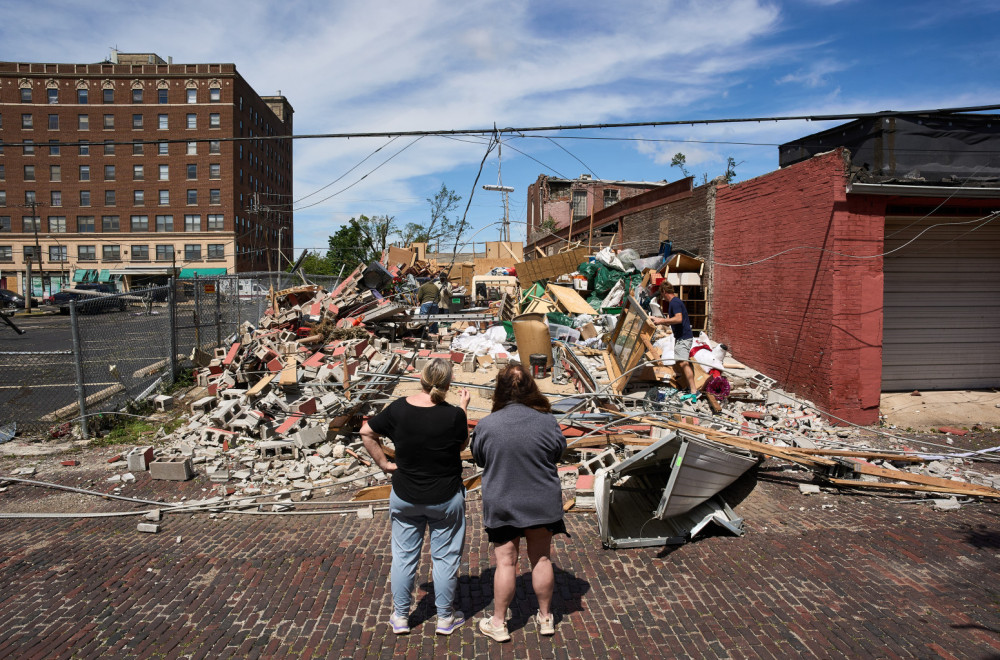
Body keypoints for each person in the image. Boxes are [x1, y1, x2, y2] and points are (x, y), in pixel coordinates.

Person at [360, 358, 471, 636]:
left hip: (406, 494)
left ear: (421, 379)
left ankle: (400, 617)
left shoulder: (399, 409)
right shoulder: (454, 415)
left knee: (403, 557)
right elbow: (461, 445)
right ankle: (445, 618)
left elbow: (367, 432)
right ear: (448, 385)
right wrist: (464, 409)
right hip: (444, 496)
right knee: (445, 558)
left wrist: (384, 464)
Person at [470, 365, 567, 642]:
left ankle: (499, 623)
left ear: (499, 390)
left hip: (503, 500)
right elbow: (559, 452)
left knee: (505, 563)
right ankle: (546, 618)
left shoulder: (487, 424)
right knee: (542, 558)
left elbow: (479, 458)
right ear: (531, 388)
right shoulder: (547, 420)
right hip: (541, 500)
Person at [650, 282, 698, 403]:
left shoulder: (674, 303)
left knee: (683, 363)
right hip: (681, 337)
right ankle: (688, 387)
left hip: (684, 337)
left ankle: (694, 391)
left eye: (662, 296)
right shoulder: (675, 302)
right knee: (681, 362)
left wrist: (661, 320)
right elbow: (672, 321)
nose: (663, 299)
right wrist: (660, 321)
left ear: (664, 292)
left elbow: (678, 318)